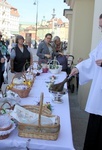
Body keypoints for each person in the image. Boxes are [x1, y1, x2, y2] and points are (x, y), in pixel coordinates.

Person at [70, 13, 102, 150]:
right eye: (100, 27)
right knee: (94, 129)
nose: (101, 30)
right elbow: (93, 61)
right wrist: (78, 68)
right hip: (99, 93)